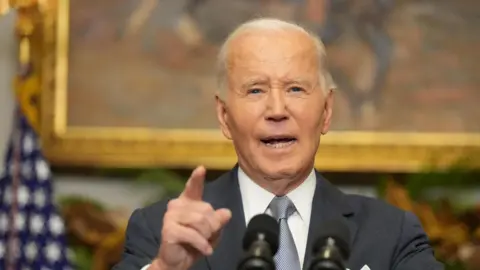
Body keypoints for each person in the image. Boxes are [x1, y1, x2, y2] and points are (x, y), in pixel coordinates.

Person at [112, 18, 444, 270]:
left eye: (296, 89)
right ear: (224, 116)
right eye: (255, 90)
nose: (277, 110)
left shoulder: (391, 233)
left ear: (327, 111)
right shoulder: (159, 231)